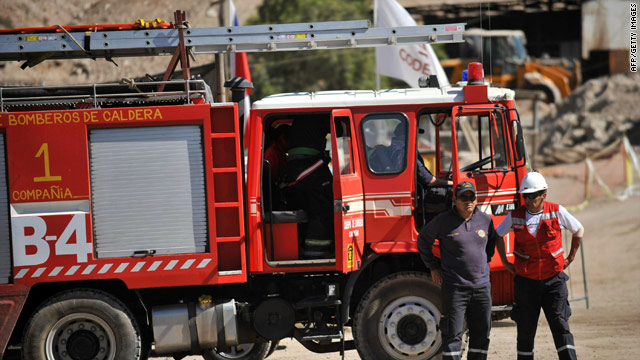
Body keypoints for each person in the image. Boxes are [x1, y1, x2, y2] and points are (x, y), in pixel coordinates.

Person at [495, 171, 584, 360]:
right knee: (525, 331)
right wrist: (504, 261)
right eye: (525, 196)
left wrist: (571, 257)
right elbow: (498, 234)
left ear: (544, 194)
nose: (528, 200)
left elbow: (578, 230)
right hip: (526, 284)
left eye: (532, 196)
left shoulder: (556, 211)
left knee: (561, 326)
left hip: (554, 282)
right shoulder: (515, 216)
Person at [418, 181, 497, 360]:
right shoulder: (443, 221)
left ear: (476, 200)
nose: (468, 201)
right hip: (455, 289)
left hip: (482, 288)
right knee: (452, 335)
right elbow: (423, 240)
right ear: (455, 200)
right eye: (463, 197)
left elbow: (491, 241)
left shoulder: (485, 220)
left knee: (481, 334)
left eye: (471, 197)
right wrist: (433, 267)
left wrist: (485, 262)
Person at [278, 115, 334, 259]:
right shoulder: (320, 116)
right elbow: (339, 130)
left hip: (294, 170)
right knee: (322, 209)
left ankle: (304, 248)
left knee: (304, 208)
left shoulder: (298, 120)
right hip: (310, 168)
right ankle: (317, 253)